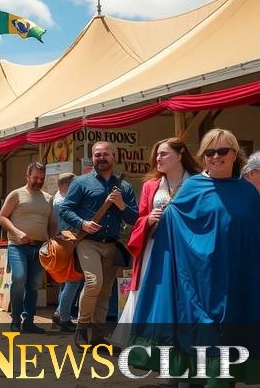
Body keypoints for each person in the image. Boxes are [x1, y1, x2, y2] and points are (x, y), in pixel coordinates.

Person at [127, 129, 260, 384]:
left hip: (236, 281)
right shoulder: (192, 187)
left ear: (235, 154)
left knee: (230, 335)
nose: (216, 157)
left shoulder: (248, 194)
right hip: (198, 281)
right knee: (203, 332)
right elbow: (173, 223)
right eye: (210, 152)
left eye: (223, 151)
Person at [111, 137, 201, 347]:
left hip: (187, 250)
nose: (157, 158)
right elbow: (139, 219)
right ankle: (155, 347)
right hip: (154, 249)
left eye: (163, 154)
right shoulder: (150, 186)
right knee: (155, 297)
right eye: (157, 154)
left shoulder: (197, 182)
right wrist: (148, 220)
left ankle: (183, 350)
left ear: (180, 156)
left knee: (184, 296)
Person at [59, 141, 138, 345]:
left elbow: (134, 218)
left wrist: (121, 204)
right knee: (94, 283)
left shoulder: (125, 187)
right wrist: (82, 223)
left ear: (113, 156)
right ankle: (82, 326)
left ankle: (98, 333)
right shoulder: (81, 182)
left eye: (105, 154)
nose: (101, 158)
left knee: (105, 290)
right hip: (88, 242)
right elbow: (65, 209)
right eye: (97, 155)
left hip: (112, 244)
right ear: (92, 158)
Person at [0, 162, 56, 333]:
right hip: (18, 246)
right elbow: (2, 217)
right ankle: (15, 319)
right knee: (19, 278)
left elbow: (51, 223)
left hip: (40, 248)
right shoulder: (16, 195)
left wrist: (52, 241)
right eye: (35, 178)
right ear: (27, 176)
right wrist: (16, 232)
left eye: (42, 179)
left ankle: (28, 320)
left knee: (34, 285)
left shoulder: (48, 198)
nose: (38, 181)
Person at [50, 172, 79, 332]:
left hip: (61, 241)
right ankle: (63, 316)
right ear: (67, 185)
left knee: (65, 281)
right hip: (68, 240)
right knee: (73, 280)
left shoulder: (57, 198)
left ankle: (59, 313)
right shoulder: (63, 201)